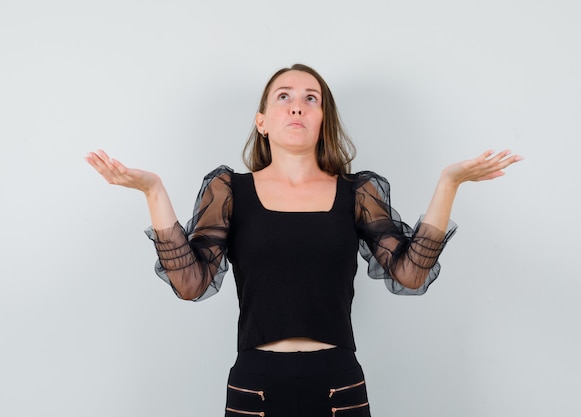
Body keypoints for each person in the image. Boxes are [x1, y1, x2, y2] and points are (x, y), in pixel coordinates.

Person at [85, 63, 521, 417]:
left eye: (310, 99)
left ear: (322, 120)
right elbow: (191, 284)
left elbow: (410, 273)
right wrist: (153, 191)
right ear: (263, 122)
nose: (298, 107)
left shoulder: (358, 192)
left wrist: (450, 182)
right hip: (254, 385)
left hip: (338, 383)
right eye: (284, 97)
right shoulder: (229, 190)